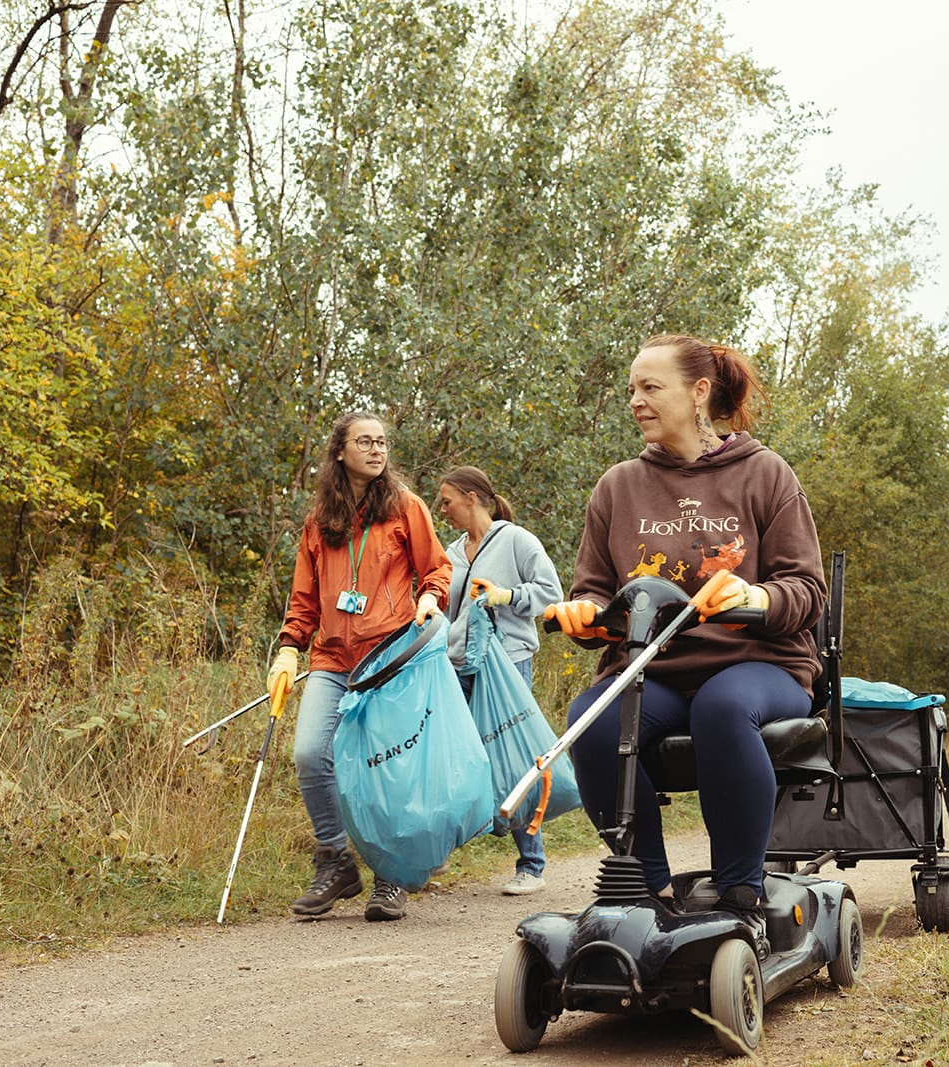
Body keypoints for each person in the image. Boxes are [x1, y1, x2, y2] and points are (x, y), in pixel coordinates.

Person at [548, 333, 827, 955]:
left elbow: (807, 589)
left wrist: (755, 599)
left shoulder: (764, 473)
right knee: (589, 722)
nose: (636, 402)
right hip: (658, 671)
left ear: (699, 392)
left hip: (761, 664)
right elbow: (597, 595)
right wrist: (587, 617)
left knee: (721, 708)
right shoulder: (617, 487)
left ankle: (740, 893)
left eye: (651, 387)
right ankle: (644, 894)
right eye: (631, 391)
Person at [267, 411, 452, 922]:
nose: (376, 449)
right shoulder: (318, 521)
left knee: (384, 770)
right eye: (364, 441)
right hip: (330, 656)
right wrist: (288, 646)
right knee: (310, 754)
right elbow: (304, 597)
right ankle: (335, 860)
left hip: (388, 657)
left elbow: (436, 566)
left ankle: (391, 876)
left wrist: (431, 598)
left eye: (382, 441)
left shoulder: (405, 507)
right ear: (340, 452)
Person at [437, 466, 565, 896]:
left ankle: (531, 865)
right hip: (458, 664)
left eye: (447, 500)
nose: (443, 509)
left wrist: (508, 596)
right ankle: (438, 853)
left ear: (472, 498)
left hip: (507, 662)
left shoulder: (516, 541)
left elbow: (551, 594)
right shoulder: (452, 552)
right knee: (451, 756)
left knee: (513, 760)